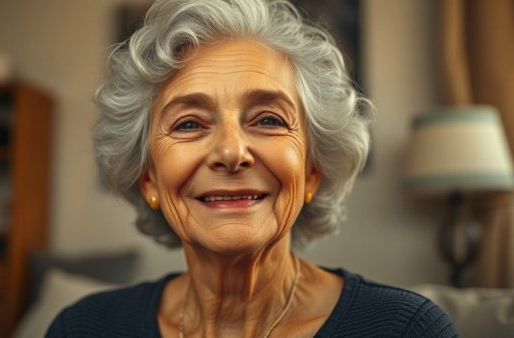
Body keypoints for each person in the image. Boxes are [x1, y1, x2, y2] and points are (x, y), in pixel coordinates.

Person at [48, 0, 458, 337]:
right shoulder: (82, 329)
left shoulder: (407, 330)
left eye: (268, 119)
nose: (230, 151)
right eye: (189, 123)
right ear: (149, 177)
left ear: (312, 169)